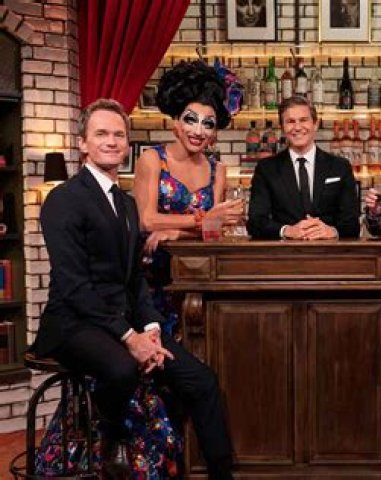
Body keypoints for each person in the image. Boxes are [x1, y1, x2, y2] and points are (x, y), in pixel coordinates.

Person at [34, 99, 234, 480]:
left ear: (127, 144)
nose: (111, 141)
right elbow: (75, 288)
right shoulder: (62, 200)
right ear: (83, 143)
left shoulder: (126, 205)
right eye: (101, 134)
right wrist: (130, 337)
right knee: (123, 368)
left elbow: (134, 279)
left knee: (202, 381)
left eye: (118, 135)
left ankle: (222, 475)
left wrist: (152, 329)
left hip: (123, 321)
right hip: (74, 324)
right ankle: (112, 440)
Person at [133, 60, 242, 334]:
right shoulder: (152, 159)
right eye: (191, 120)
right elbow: (146, 221)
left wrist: (176, 233)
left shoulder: (218, 170)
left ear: (214, 132)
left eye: (208, 124)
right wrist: (204, 219)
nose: (198, 131)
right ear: (177, 122)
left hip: (198, 276)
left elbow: (215, 234)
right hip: (152, 278)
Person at [247, 96, 360, 240]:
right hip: (285, 252)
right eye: (290, 121)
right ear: (282, 128)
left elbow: (352, 224)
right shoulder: (266, 169)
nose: (297, 127)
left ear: (315, 124)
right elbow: (255, 223)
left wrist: (332, 231)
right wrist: (287, 231)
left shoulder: (340, 167)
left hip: (329, 252)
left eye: (303, 120)